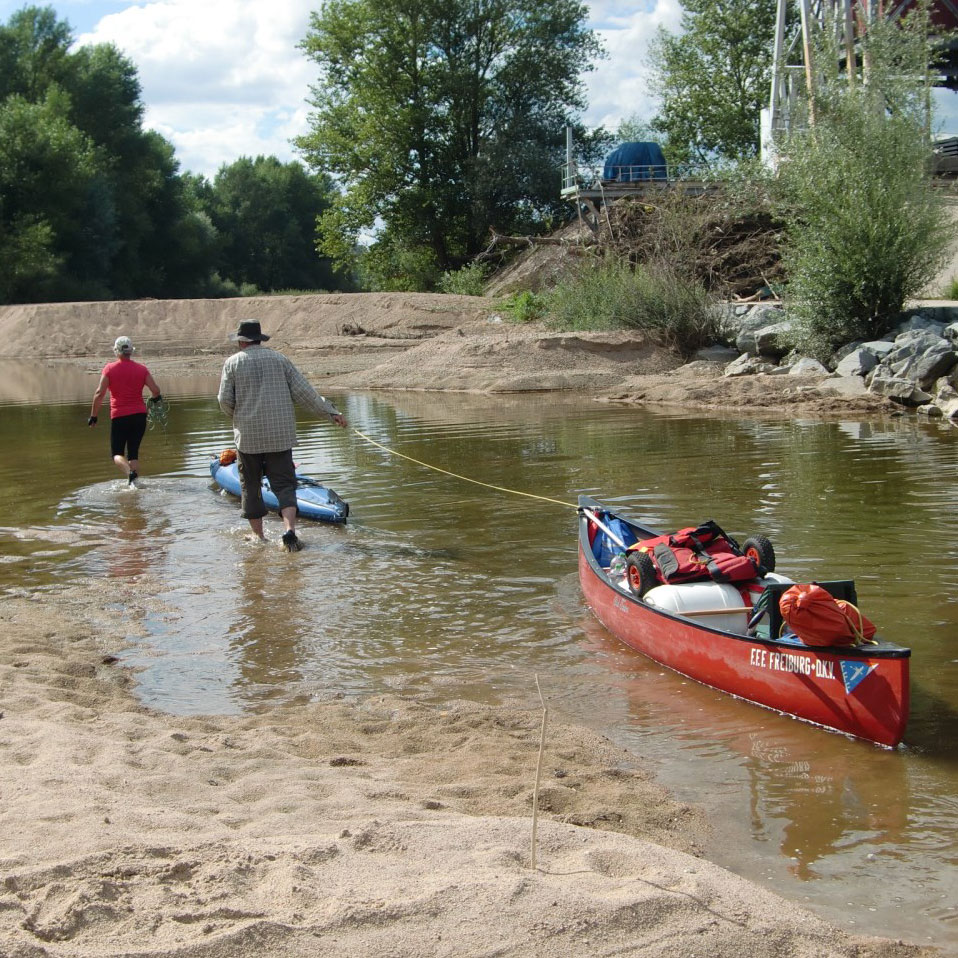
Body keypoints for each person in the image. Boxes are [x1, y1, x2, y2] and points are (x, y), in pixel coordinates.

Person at [217, 319, 347, 551]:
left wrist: (237, 417)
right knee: (286, 485)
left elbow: (224, 400)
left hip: (248, 438)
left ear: (241, 341)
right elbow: (305, 393)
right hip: (280, 436)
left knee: (251, 486)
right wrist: (331, 413)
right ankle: (289, 532)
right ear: (259, 339)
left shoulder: (232, 363)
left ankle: (259, 537)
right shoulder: (280, 359)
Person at [88, 336, 162, 486]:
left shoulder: (109, 369)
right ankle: (135, 484)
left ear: (117, 351)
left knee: (117, 454)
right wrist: (153, 399)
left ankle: (130, 474)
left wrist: (93, 416)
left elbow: (99, 394)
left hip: (120, 417)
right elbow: (155, 390)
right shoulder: (141, 369)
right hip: (139, 417)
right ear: (130, 351)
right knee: (133, 453)